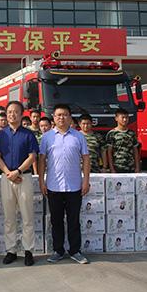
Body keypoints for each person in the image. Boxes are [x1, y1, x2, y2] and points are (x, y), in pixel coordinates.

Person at [38, 103, 91, 264]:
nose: (61, 117)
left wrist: (86, 181)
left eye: (65, 115)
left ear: (70, 118)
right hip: (53, 186)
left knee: (74, 220)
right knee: (56, 221)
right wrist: (41, 181)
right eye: (58, 115)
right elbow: (42, 160)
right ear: (54, 118)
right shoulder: (47, 137)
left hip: (74, 186)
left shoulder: (78, 136)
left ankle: (75, 251)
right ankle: (58, 250)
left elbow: (86, 159)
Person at [0, 101, 39, 266]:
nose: (12, 114)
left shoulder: (28, 134)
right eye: (9, 112)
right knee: (9, 217)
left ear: (21, 114)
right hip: (6, 178)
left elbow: (32, 156)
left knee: (27, 216)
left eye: (16, 112)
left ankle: (28, 251)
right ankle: (11, 250)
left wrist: (17, 171)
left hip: (24, 177)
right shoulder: (0, 135)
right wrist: (8, 173)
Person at [106, 108, 141, 173]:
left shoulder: (132, 133)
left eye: (127, 117)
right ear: (116, 118)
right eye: (122, 117)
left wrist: (137, 167)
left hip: (130, 168)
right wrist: (111, 168)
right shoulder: (111, 133)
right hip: (117, 167)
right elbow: (109, 152)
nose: (125, 120)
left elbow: (135, 151)